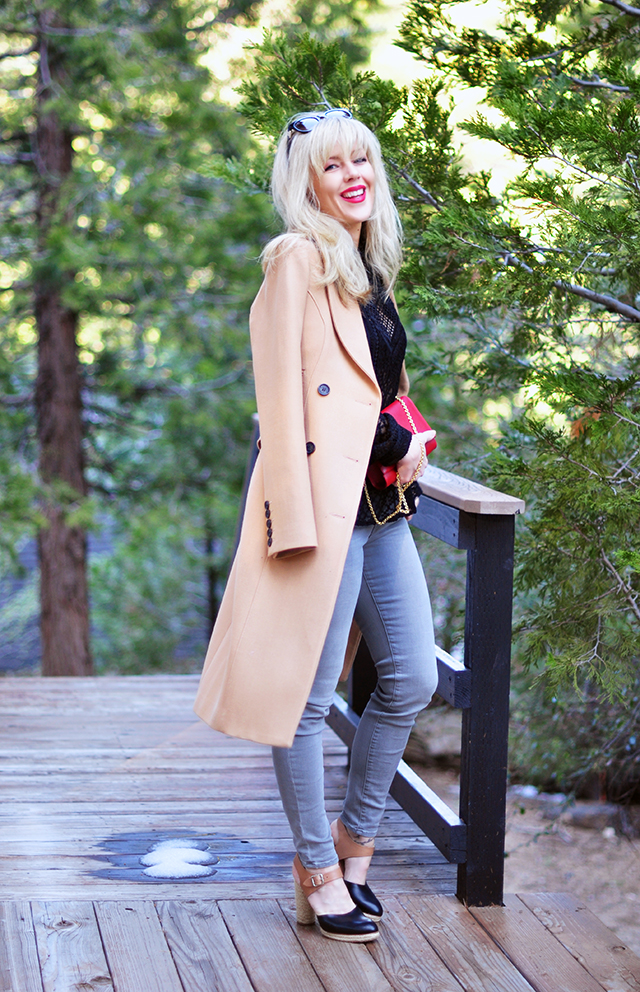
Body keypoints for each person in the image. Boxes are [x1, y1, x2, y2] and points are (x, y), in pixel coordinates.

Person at [194, 108, 438, 943]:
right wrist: (291, 525)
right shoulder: (297, 258)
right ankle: (317, 869)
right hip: (321, 514)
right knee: (303, 699)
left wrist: (414, 434)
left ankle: (354, 840)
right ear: (307, 182)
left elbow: (379, 386)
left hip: (382, 507)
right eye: (334, 167)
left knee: (412, 677)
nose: (353, 176)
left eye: (362, 160)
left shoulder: (367, 261)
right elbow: (283, 398)